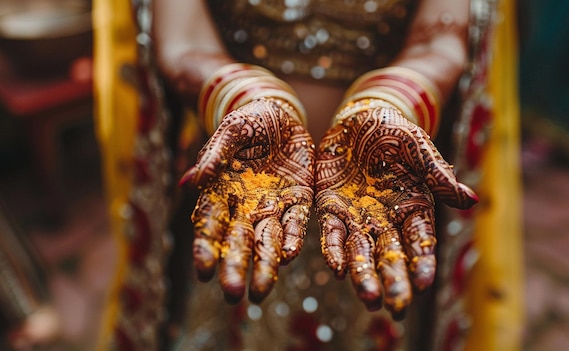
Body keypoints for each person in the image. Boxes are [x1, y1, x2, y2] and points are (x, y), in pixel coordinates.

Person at [93, 0, 523, 350]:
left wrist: (384, 107)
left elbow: (442, 39)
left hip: (375, 205)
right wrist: (248, 98)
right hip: (246, 192)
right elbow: (182, 41)